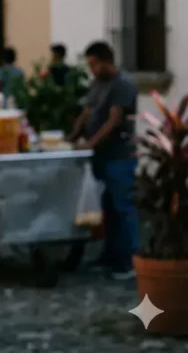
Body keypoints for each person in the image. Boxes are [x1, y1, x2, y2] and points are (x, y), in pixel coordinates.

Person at [67, 41, 139, 281]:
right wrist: (74, 134)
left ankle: (129, 261)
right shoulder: (97, 83)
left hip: (119, 155)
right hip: (99, 156)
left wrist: (92, 142)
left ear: (106, 60)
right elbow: (88, 111)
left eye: (94, 64)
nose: (92, 69)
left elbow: (114, 119)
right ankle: (110, 256)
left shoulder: (123, 85)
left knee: (123, 207)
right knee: (106, 208)